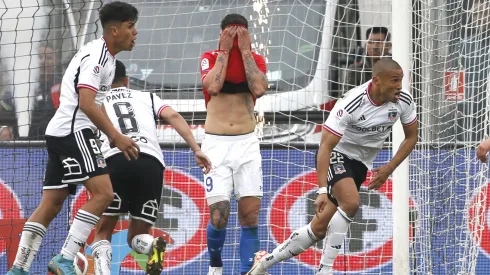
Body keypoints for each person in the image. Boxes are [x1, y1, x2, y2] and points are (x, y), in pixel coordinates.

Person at [247, 59, 418, 275]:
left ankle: (264, 263)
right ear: (376, 80)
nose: (400, 85)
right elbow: (326, 145)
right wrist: (321, 191)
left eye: (401, 80)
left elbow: (412, 137)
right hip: (338, 154)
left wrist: (390, 167)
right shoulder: (352, 102)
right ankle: (325, 270)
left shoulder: (403, 100)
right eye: (395, 80)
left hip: (361, 165)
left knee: (317, 229)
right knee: (351, 203)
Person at [7, 2, 139, 275]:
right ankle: (66, 258)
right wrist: (116, 136)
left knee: (52, 203)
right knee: (104, 194)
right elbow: (87, 103)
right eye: (130, 26)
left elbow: (95, 102)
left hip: (62, 131)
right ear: (114, 30)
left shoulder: (106, 57)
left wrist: (112, 135)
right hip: (74, 131)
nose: (135, 32)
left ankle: (18, 269)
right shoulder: (98, 57)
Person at [91, 60, 212, 275]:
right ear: (126, 81)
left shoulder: (95, 101)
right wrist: (196, 149)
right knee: (136, 237)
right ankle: (151, 245)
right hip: (151, 163)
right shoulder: (147, 96)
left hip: (116, 159)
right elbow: (173, 116)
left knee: (103, 231)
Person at [199, 13, 268, 275]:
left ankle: (248, 270)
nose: (236, 36)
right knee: (220, 214)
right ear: (221, 34)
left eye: (241, 32)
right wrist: (225, 52)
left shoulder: (257, 60)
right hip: (216, 146)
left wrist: (247, 51)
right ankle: (215, 264)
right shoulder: (209, 57)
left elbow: (259, 89)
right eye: (231, 32)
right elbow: (213, 87)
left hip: (247, 144)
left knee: (250, 216)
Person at [343, 27, 391, 95]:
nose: (374, 47)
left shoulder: (397, 68)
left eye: (379, 42)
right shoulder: (355, 70)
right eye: (370, 42)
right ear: (365, 45)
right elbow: (347, 98)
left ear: (389, 46)